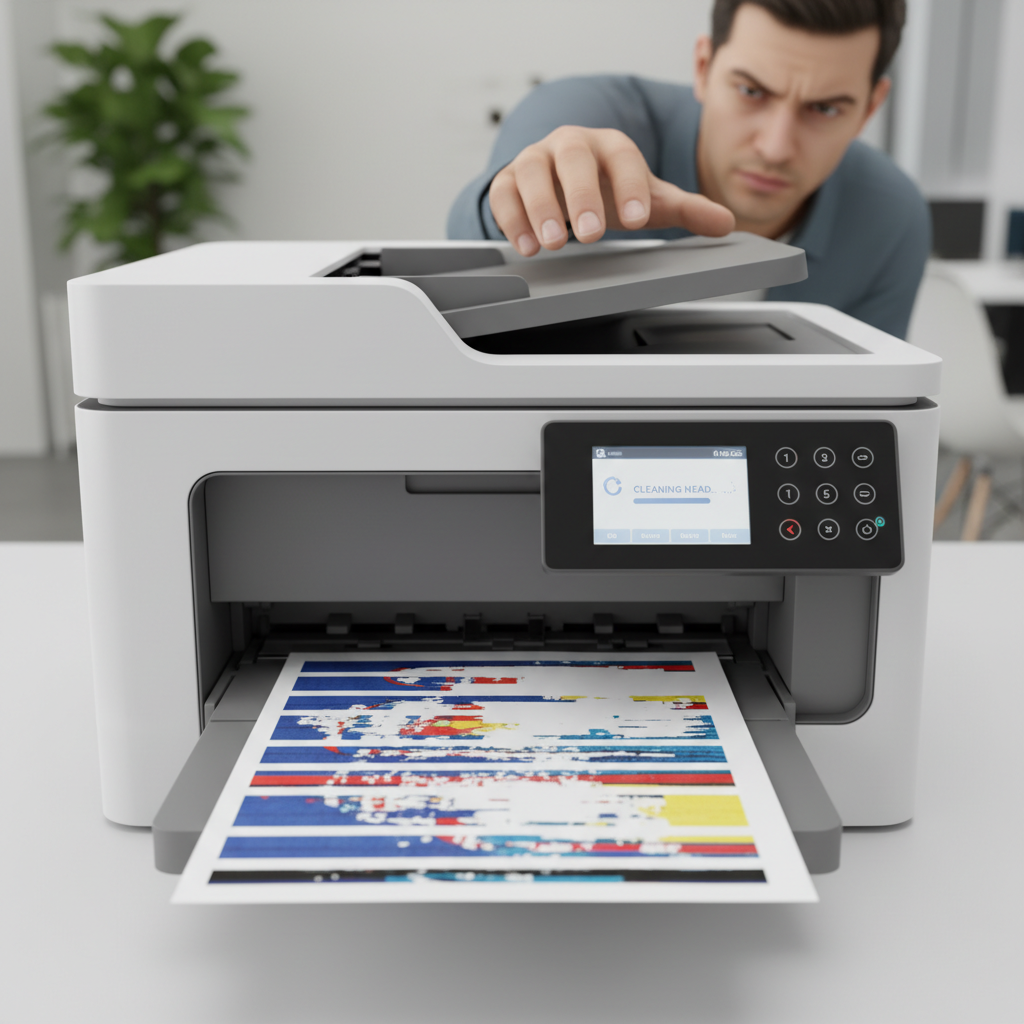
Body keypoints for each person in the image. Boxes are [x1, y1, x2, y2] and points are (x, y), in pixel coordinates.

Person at [448, 0, 929, 339]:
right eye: (751, 91)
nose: (776, 147)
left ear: (870, 108)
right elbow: (470, 269)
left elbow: (867, 410)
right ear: (703, 67)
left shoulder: (890, 218)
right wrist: (526, 206)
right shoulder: (581, 113)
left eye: (824, 109)